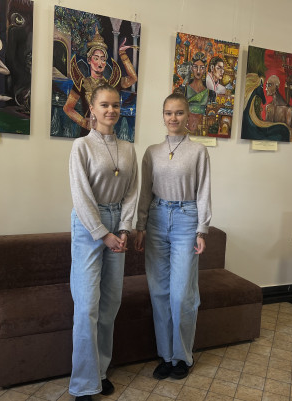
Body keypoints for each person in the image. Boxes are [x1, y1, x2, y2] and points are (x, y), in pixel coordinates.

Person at [134, 92, 211, 381]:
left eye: (179, 112)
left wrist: (202, 229)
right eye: (168, 112)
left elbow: (203, 191)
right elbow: (144, 191)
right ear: (163, 116)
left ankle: (182, 357)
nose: (173, 118)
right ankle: (166, 356)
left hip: (186, 220)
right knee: (159, 293)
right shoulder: (152, 152)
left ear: (188, 115)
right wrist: (140, 225)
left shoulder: (198, 151)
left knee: (181, 295)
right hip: (156, 219)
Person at [68, 84, 138, 401]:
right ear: (92, 109)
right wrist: (103, 233)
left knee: (110, 303)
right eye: (104, 105)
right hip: (89, 226)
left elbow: (132, 192)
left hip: (117, 223)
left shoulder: (128, 148)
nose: (111, 110)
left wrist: (124, 229)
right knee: (86, 306)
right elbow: (81, 197)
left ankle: (100, 372)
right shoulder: (81, 146)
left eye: (116, 105)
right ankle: (83, 384)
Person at [63, 28, 138, 136]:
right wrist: (84, 122)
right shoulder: (82, 83)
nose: (100, 63)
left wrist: (122, 54)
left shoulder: (111, 84)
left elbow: (133, 78)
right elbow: (68, 108)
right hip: (88, 134)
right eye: (96, 58)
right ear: (89, 60)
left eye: (103, 59)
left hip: (108, 133)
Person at [184, 52, 209, 132]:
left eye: (202, 67)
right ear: (191, 68)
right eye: (195, 67)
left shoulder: (209, 92)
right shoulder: (185, 89)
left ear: (205, 69)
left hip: (201, 130)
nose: (198, 71)